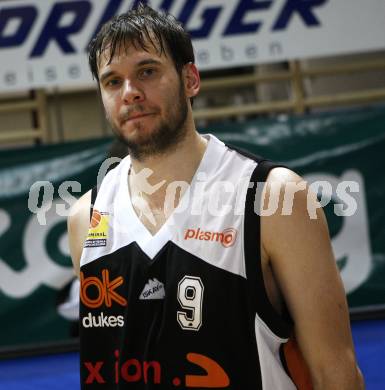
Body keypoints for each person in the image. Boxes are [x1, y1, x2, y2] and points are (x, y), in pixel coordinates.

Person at [67, 3, 364, 389]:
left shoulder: (275, 198)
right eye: (112, 81)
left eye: (147, 72)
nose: (130, 93)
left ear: (190, 79)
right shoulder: (85, 217)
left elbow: (335, 372)